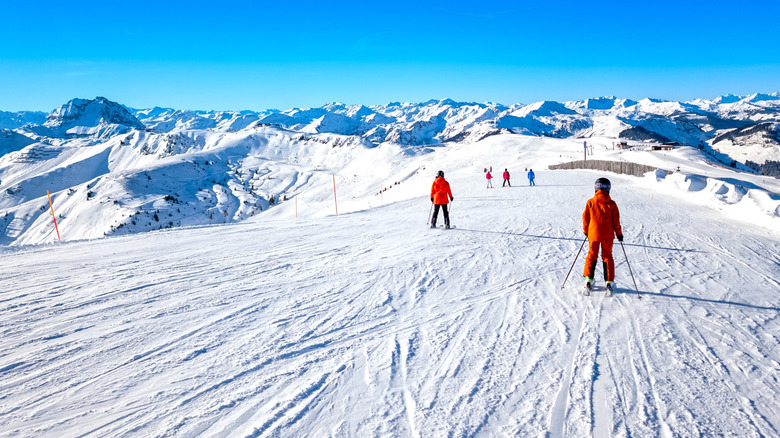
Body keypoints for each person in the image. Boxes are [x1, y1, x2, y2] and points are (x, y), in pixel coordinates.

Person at [582, 177, 623, 293]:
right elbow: (616, 221)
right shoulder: (612, 204)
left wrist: (586, 231)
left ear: (596, 189)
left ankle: (588, 279)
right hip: (608, 235)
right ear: (608, 189)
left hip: (593, 234)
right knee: (607, 256)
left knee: (592, 255)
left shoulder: (590, 202)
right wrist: (619, 234)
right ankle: (609, 281)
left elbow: (586, 218)